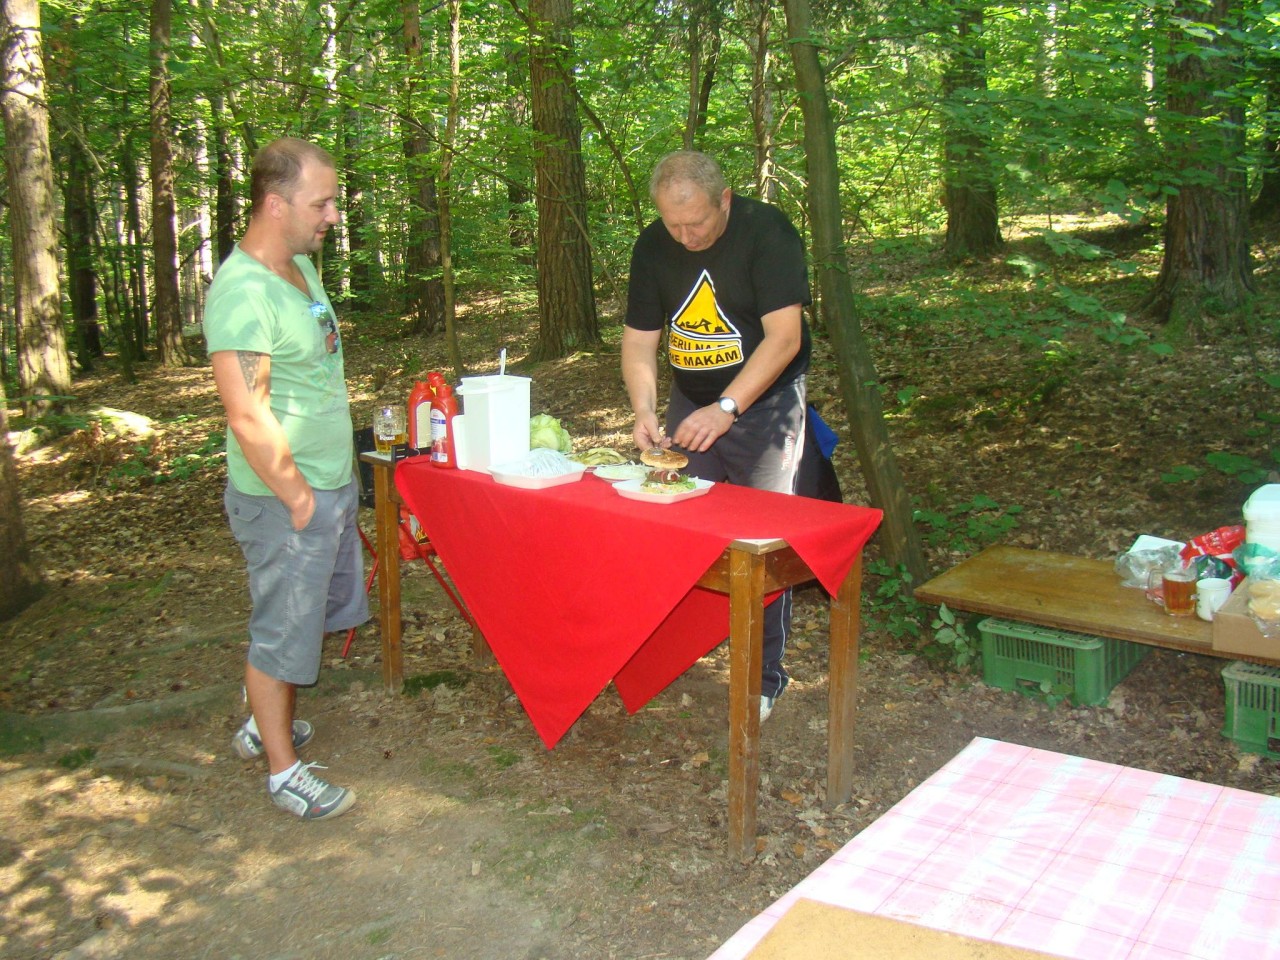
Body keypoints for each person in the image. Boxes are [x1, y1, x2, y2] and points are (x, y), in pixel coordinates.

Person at [204, 137, 367, 820]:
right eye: (321, 203)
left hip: (328, 484)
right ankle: (283, 772)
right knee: (281, 632)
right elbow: (247, 413)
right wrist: (299, 499)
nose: (333, 215)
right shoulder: (243, 292)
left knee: (306, 621)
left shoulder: (299, 268)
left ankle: (261, 721)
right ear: (276, 204)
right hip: (285, 499)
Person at [622, 150, 811, 723]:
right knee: (680, 528)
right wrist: (643, 409)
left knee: (761, 538)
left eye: (696, 222)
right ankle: (682, 647)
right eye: (673, 225)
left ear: (724, 200)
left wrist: (728, 407)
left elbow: (785, 338)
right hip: (690, 404)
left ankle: (764, 677)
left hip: (764, 405)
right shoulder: (654, 246)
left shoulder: (766, 232)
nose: (685, 237)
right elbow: (639, 341)